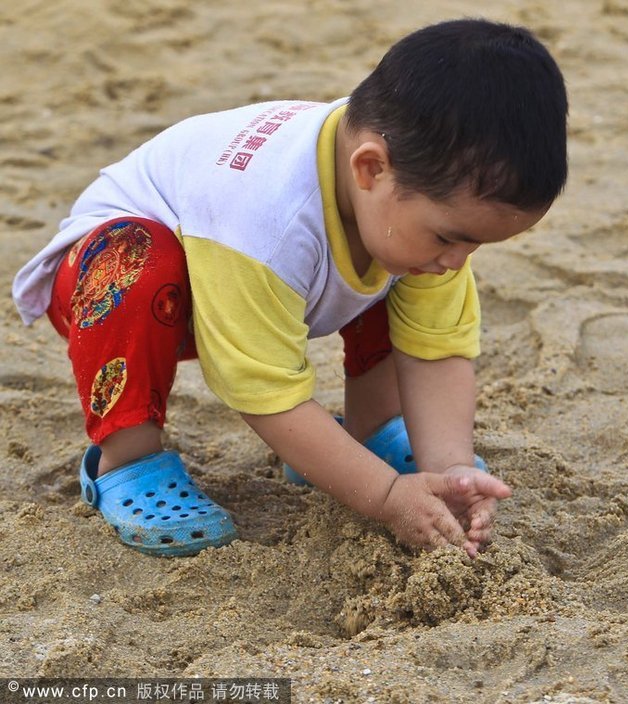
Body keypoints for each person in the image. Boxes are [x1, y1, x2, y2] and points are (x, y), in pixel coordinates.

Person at [11, 18, 569, 558]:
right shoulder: (264, 222)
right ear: (370, 169)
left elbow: (437, 346)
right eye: (452, 237)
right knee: (136, 258)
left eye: (474, 245)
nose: (456, 262)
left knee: (405, 260)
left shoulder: (409, 203)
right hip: (115, 292)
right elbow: (264, 392)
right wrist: (385, 496)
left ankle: (368, 435)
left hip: (259, 283)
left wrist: (449, 469)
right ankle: (126, 463)